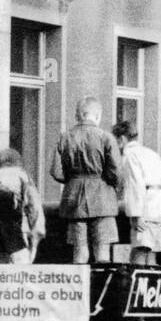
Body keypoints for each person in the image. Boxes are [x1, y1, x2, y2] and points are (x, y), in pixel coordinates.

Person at [49, 96, 121, 264]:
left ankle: (81, 287)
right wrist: (109, 183)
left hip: (74, 199)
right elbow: (116, 171)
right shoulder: (106, 137)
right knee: (102, 250)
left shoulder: (65, 137)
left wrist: (72, 180)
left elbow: (55, 171)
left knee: (79, 251)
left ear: (78, 115)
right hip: (103, 198)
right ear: (97, 115)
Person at [113, 120, 161, 266]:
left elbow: (134, 185)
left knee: (139, 249)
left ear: (121, 139)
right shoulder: (151, 153)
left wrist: (135, 215)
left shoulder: (129, 156)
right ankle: (150, 284)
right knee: (151, 253)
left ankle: (137, 285)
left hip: (146, 206)